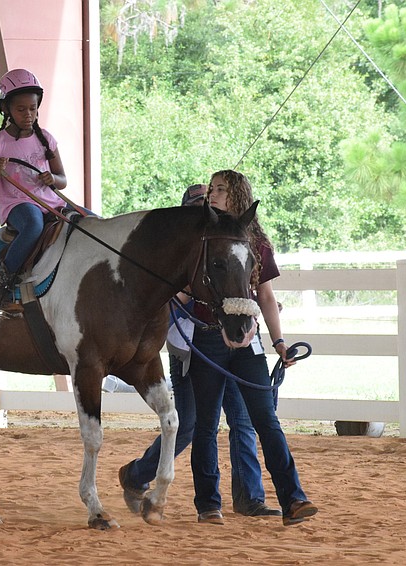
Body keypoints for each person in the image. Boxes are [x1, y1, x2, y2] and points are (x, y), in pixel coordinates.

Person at [118, 183, 282, 522]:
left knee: (242, 420)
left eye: (212, 201)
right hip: (193, 345)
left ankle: (249, 498)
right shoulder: (185, 251)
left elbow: (260, 292)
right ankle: (138, 474)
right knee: (191, 424)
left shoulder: (234, 244)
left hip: (236, 342)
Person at [189, 170, 316, 526]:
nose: (211, 193)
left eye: (220, 189)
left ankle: (293, 499)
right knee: (206, 424)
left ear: (237, 196)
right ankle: (208, 504)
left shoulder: (257, 244)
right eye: (211, 188)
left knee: (266, 420)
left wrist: (279, 343)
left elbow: (266, 296)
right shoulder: (200, 238)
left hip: (248, 341)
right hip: (209, 337)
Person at [0, 68, 68, 315]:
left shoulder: (46, 139)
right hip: (18, 204)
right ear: (6, 109)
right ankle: (2, 285)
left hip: (49, 201)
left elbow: (63, 180)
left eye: (33, 108)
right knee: (32, 224)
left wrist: (53, 179)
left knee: (89, 219)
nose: (28, 115)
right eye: (21, 109)